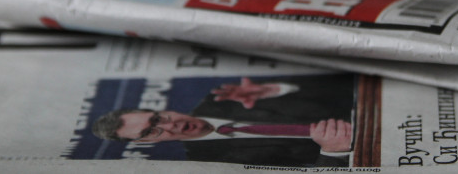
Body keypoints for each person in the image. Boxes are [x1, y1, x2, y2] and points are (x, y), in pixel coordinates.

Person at [92, 74, 355, 167]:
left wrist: (276, 89)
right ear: (145, 143)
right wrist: (333, 152)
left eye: (158, 117)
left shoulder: (227, 95)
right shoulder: (210, 163)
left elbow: (342, 84)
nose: (171, 125)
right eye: (152, 131)